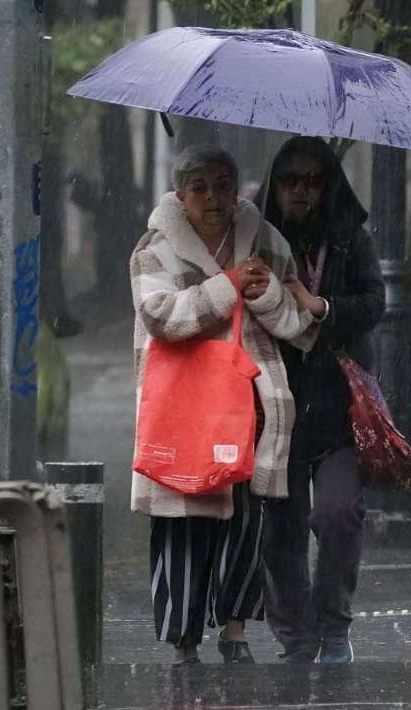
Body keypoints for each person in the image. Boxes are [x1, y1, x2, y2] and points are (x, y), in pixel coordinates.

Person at [129, 144, 311, 665]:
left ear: (237, 190)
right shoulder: (154, 248)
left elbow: (296, 326)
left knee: (245, 522)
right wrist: (228, 286)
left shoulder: (266, 241)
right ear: (180, 194)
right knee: (183, 519)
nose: (213, 197)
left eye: (223, 185)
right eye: (199, 187)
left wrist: (265, 292)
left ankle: (235, 630)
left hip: (250, 404)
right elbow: (164, 317)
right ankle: (183, 641)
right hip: (184, 409)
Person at [259, 136, 386, 665]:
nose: (302, 191)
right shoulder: (257, 240)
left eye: (313, 180)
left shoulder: (350, 239)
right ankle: (296, 634)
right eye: (290, 180)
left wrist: (322, 306)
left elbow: (374, 302)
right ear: (275, 185)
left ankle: (334, 625)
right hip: (274, 409)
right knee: (278, 528)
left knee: (338, 514)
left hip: (338, 409)